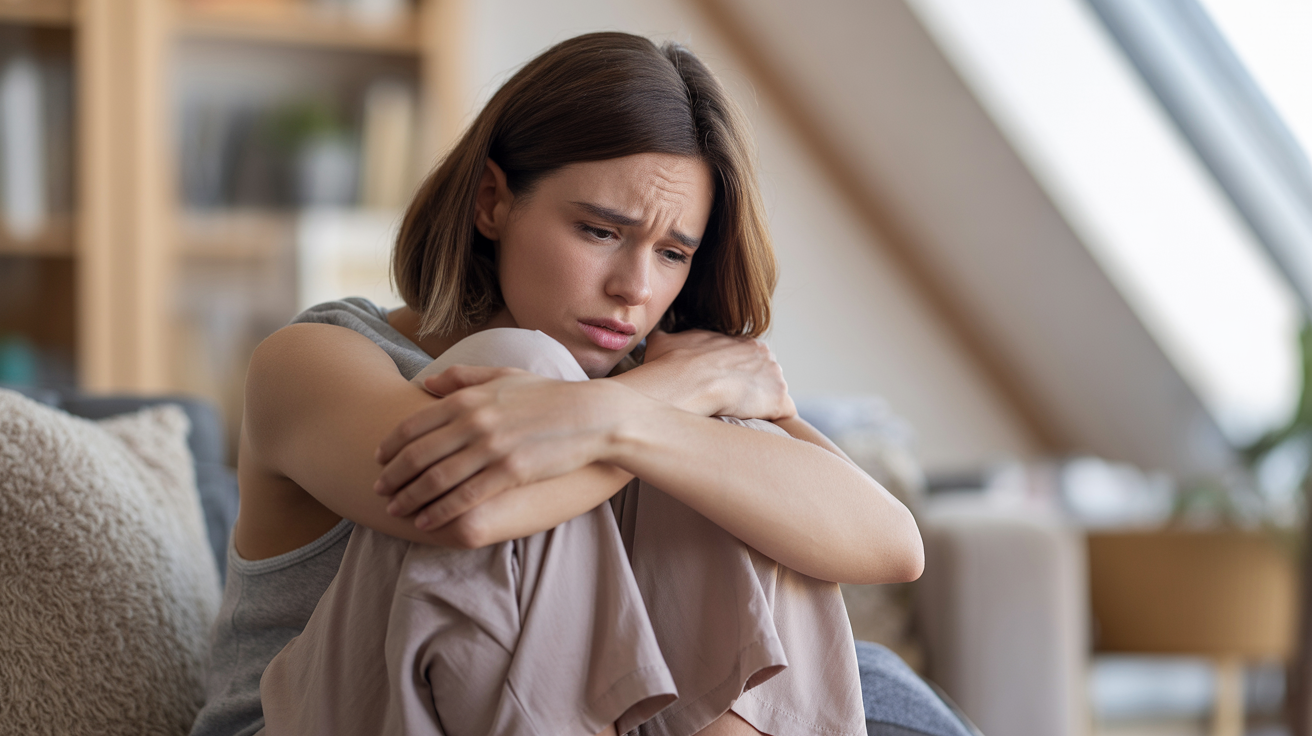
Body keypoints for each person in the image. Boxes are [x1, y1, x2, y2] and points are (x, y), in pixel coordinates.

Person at [190, 32, 924, 736]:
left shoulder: (659, 383)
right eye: (600, 232)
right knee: (529, 371)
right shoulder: (312, 357)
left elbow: (891, 543)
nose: (634, 288)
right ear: (492, 201)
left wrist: (634, 420)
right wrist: (637, 410)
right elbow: (464, 510)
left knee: (731, 459)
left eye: (672, 253)